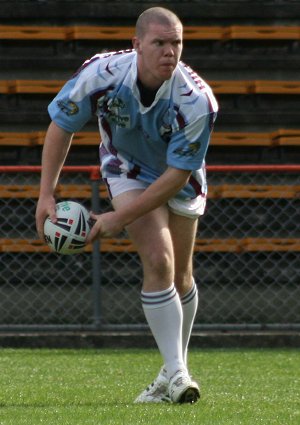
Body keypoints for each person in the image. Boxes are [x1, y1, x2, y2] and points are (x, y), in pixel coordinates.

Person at [35, 6, 218, 404]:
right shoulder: (101, 75)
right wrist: (46, 193)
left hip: (178, 176)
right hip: (126, 168)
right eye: (159, 43)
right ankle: (178, 374)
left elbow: (176, 176)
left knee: (182, 276)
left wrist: (118, 218)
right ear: (137, 44)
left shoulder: (198, 101)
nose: (169, 51)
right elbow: (61, 125)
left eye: (176, 43)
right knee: (159, 260)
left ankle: (171, 372)